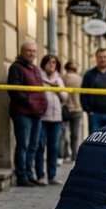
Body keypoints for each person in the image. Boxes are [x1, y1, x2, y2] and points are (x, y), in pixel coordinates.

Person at [8, 41, 48, 187]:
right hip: (23, 113)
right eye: (28, 51)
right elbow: (14, 90)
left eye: (34, 51)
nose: (31, 53)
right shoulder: (16, 67)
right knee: (23, 145)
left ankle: (29, 175)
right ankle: (22, 176)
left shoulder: (35, 69)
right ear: (21, 52)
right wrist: (30, 101)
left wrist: (41, 104)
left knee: (33, 146)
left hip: (36, 114)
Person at [35, 54, 68, 186]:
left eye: (54, 62)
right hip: (42, 117)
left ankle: (52, 175)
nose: (52, 65)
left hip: (56, 118)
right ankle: (40, 175)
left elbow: (65, 96)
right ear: (44, 64)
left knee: (53, 147)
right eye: (49, 62)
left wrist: (57, 89)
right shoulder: (39, 77)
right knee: (40, 146)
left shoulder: (58, 79)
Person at [60, 61, 84, 162]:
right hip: (78, 109)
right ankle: (75, 155)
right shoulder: (80, 79)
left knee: (63, 134)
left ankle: (64, 155)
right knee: (75, 135)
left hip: (65, 109)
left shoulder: (62, 78)